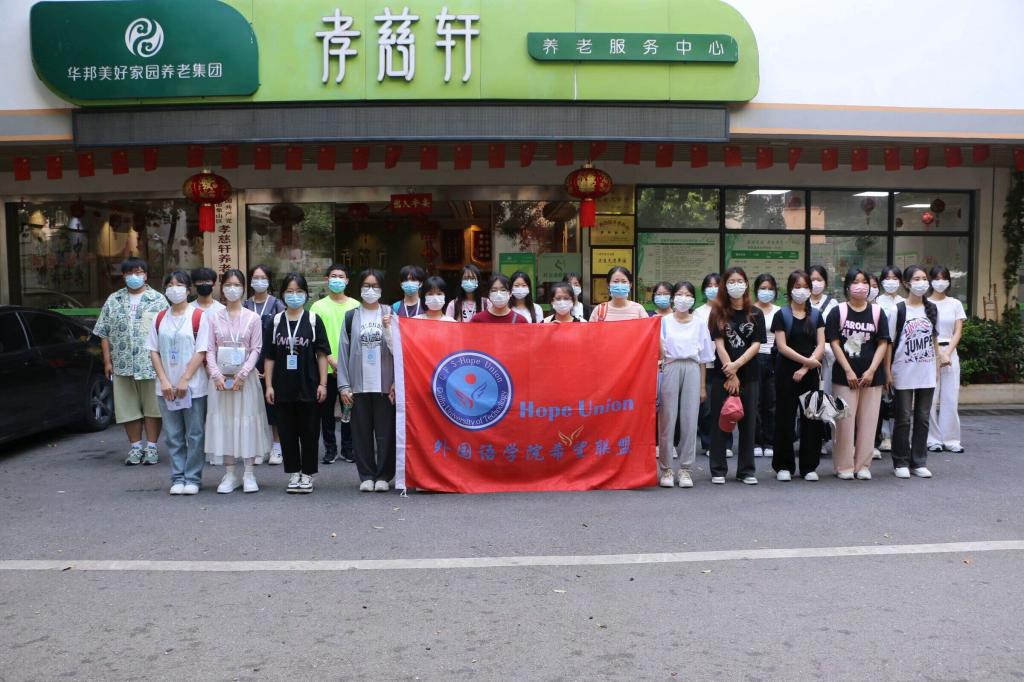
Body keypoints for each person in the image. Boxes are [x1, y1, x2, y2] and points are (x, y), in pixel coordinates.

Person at [93, 257, 168, 465]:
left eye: (139, 272)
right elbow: (103, 332)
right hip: (122, 364)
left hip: (151, 365)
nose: (134, 276)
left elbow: (167, 332)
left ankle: (151, 447)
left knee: (153, 408)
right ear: (123, 276)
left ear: (146, 275)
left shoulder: (158, 299)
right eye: (129, 273)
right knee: (128, 409)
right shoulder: (114, 300)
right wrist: (107, 361)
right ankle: (135, 448)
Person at [205, 269, 270, 493]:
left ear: (243, 288)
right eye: (228, 285)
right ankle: (230, 474)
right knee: (225, 424)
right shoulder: (213, 317)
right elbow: (209, 349)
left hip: (246, 380)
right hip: (220, 381)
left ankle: (249, 473)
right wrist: (216, 375)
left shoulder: (253, 318)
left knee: (247, 422)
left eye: (236, 285)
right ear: (221, 288)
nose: (232, 289)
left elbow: (256, 348)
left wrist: (242, 375)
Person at [265, 273, 330, 494]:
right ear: (282, 294)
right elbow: (269, 356)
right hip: (282, 387)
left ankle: (308, 473)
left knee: (310, 432)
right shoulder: (275, 321)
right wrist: (269, 386)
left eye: (299, 291)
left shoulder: (313, 320)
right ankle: (294, 472)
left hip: (309, 386)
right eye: (290, 291)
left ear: (306, 294)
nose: (294, 296)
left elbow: (322, 354)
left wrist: (323, 384)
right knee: (287, 432)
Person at [146, 270, 210, 495]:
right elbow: (153, 351)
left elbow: (202, 350)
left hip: (194, 386)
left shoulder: (199, 316)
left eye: (179, 284)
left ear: (188, 289)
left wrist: (185, 379)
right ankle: (177, 477)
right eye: (170, 285)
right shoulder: (159, 318)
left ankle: (192, 478)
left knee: (195, 434)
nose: (175, 289)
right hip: (165, 387)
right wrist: (164, 380)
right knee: (173, 435)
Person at [826, 268, 890, 480]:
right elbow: (834, 342)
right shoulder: (838, 311)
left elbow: (883, 343)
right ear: (847, 286)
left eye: (864, 282)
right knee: (844, 423)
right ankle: (843, 466)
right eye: (855, 282)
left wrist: (872, 370)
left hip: (872, 378)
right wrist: (848, 370)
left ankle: (862, 466)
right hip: (844, 376)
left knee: (868, 424)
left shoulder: (877, 312)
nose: (860, 286)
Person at [339, 269, 398, 491]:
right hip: (358, 385)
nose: (370, 290)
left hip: (385, 385)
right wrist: (344, 385)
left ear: (382, 289)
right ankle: (366, 475)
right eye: (366, 286)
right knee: (361, 433)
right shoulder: (351, 316)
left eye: (375, 286)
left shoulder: (390, 313)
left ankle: (383, 475)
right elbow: (343, 352)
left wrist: (397, 382)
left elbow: (399, 350)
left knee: (385, 433)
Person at [708, 267, 766, 485]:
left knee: (749, 423)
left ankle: (746, 471)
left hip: (749, 375)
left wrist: (737, 365)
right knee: (720, 421)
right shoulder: (717, 312)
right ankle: (718, 469)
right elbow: (719, 344)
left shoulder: (756, 313)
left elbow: (756, 344)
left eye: (739, 281)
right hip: (722, 375)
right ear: (725, 286)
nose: (736, 285)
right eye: (731, 281)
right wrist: (731, 372)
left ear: (746, 284)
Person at [771, 271, 826, 481]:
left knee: (811, 418)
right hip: (786, 372)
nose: (801, 290)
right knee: (784, 418)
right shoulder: (781, 315)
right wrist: (806, 361)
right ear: (790, 290)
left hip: (810, 373)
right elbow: (782, 346)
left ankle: (809, 466)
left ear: (810, 290)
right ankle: (783, 465)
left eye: (805, 286)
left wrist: (805, 367)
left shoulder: (816, 315)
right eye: (797, 286)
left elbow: (821, 345)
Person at [658, 281, 713, 488]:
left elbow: (704, 358)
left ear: (693, 299)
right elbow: (658, 352)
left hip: (692, 367)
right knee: (667, 418)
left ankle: (686, 469)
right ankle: (666, 469)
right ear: (673, 298)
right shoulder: (664, 321)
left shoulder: (699, 323)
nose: (683, 298)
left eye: (688, 295)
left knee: (690, 419)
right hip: (670, 366)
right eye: (679, 294)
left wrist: (702, 386)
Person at [890, 265, 940, 479]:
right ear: (907, 283)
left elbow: (934, 339)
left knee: (923, 417)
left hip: (926, 370)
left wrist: (937, 364)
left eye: (924, 278)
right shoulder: (898, 310)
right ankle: (900, 461)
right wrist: (887, 371)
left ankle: (919, 461)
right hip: (903, 370)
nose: (922, 282)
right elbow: (889, 343)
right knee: (903, 418)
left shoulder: (932, 309)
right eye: (917, 279)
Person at [310, 264, 360, 465]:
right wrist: (331, 360)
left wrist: (345, 365)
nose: (337, 279)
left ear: (347, 281)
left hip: (350, 369)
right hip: (325, 368)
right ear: (327, 279)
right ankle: (330, 449)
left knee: (349, 410)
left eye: (341, 276)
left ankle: (348, 448)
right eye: (333, 276)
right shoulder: (317, 307)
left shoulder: (356, 306)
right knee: (326, 412)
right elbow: (316, 339)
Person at [244, 264, 286, 464]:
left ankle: (277, 448)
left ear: (269, 281)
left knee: (273, 406)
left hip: (272, 361)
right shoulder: (245, 304)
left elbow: (283, 335)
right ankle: (258, 448)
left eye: (263, 278)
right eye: (255, 277)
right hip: (249, 363)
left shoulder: (277, 304)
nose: (259, 281)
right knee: (253, 408)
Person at [928, 265, 967, 454]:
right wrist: (939, 354)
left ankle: (951, 439)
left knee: (951, 397)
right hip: (930, 353)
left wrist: (947, 353)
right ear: (930, 281)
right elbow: (927, 331)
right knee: (930, 398)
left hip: (950, 353)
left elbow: (958, 331)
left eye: (944, 278)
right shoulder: (925, 303)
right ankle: (932, 439)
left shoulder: (955, 303)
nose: (940, 282)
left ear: (949, 281)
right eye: (936, 278)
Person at [695, 273, 729, 458]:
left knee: (727, 405)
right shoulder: (698, 312)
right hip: (706, 364)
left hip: (725, 362)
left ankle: (726, 443)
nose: (713, 289)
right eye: (709, 285)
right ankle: (708, 443)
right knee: (707, 406)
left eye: (717, 285)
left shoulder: (728, 310)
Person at [809, 265, 840, 454]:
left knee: (826, 395)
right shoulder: (802, 301)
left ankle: (824, 437)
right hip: (805, 356)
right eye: (812, 279)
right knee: (808, 396)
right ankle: (810, 438)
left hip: (827, 356)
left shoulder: (833, 303)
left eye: (819, 279)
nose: (815, 283)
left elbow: (835, 330)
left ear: (825, 282)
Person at [875, 266, 905, 454]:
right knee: (882, 394)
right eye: (888, 278)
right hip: (881, 351)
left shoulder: (904, 302)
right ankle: (882, 435)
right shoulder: (877, 302)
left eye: (895, 278)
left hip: (900, 353)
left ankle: (896, 435)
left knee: (898, 395)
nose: (891, 282)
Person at [753, 274, 780, 459]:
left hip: (773, 358)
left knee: (771, 403)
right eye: (763, 288)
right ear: (756, 290)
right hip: (753, 357)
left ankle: (769, 441)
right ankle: (755, 442)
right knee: (754, 402)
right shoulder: (750, 310)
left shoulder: (779, 311)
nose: (766, 292)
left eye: (770, 289)